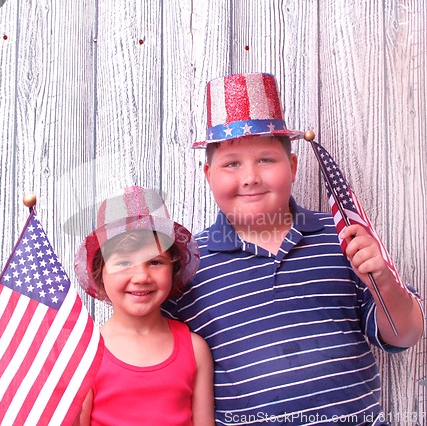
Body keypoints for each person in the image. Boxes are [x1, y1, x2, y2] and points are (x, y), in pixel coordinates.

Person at [162, 72, 424, 425]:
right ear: (208, 175)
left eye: (266, 160)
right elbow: (162, 369)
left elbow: (405, 335)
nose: (251, 176)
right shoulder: (189, 266)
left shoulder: (341, 238)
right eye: (232, 164)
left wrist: (383, 280)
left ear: (293, 167)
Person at [73, 186, 215, 426]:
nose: (141, 276)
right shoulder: (86, 354)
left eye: (155, 262)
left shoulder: (195, 349)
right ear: (100, 274)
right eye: (124, 262)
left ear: (174, 268)